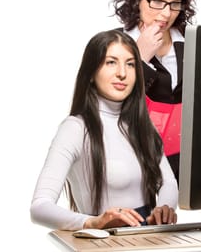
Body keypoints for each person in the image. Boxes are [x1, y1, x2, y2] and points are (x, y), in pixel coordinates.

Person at [30, 30, 178, 231]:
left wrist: (164, 208)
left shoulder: (143, 124)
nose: (122, 73)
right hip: (103, 243)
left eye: (130, 64)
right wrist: (93, 222)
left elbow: (168, 182)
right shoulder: (75, 129)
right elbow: (39, 207)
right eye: (111, 62)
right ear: (91, 73)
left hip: (148, 240)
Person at [112, 0, 197, 182]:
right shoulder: (111, 44)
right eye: (157, 1)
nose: (167, 13)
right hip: (130, 170)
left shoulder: (193, 46)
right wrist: (139, 58)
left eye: (175, 4)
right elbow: (106, 108)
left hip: (184, 171)